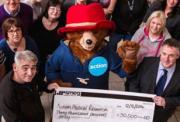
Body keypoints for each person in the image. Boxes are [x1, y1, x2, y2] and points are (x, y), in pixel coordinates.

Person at [127, 38, 180, 122]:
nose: (166, 59)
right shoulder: (147, 62)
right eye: (164, 54)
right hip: (139, 109)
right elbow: (134, 82)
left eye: (171, 55)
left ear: (178, 56)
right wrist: (137, 100)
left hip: (162, 114)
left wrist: (167, 101)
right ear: (160, 52)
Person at [0, 50, 59, 121]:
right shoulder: (6, 92)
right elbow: (13, 119)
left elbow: (39, 83)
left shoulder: (31, 76)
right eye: (25, 68)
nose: (30, 73)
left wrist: (48, 86)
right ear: (15, 67)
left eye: (33, 68)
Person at [29, 0, 64, 80]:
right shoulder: (37, 23)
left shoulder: (62, 26)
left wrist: (54, 56)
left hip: (55, 61)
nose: (55, 12)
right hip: (37, 59)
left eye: (58, 10)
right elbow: (31, 43)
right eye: (52, 9)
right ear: (47, 9)